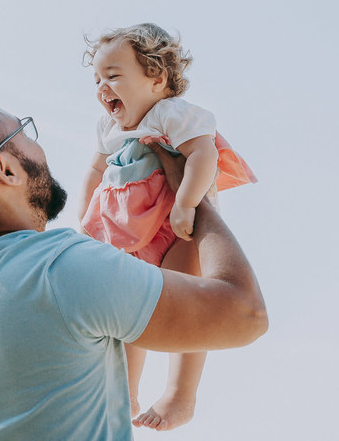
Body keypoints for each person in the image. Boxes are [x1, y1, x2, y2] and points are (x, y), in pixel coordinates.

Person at [0, 99, 266, 441]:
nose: (39, 148)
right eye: (25, 134)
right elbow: (246, 315)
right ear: (6, 168)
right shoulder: (62, 267)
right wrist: (190, 194)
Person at [79, 23, 257, 431]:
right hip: (128, 232)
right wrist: (86, 211)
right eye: (97, 79)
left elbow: (202, 155)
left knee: (192, 304)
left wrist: (187, 202)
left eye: (113, 76)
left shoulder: (171, 113)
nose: (102, 87)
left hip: (176, 225)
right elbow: (95, 168)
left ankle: (181, 393)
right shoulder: (110, 127)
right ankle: (125, 392)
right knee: (129, 315)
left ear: (157, 79)